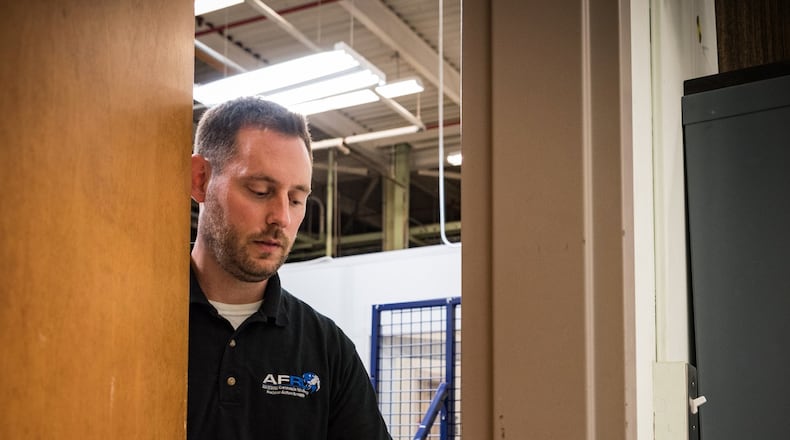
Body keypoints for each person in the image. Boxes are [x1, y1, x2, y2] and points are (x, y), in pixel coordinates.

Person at [188, 96, 392, 439]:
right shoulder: (133, 323)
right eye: (260, 190)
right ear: (200, 180)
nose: (281, 218)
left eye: (297, 199)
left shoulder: (329, 351)